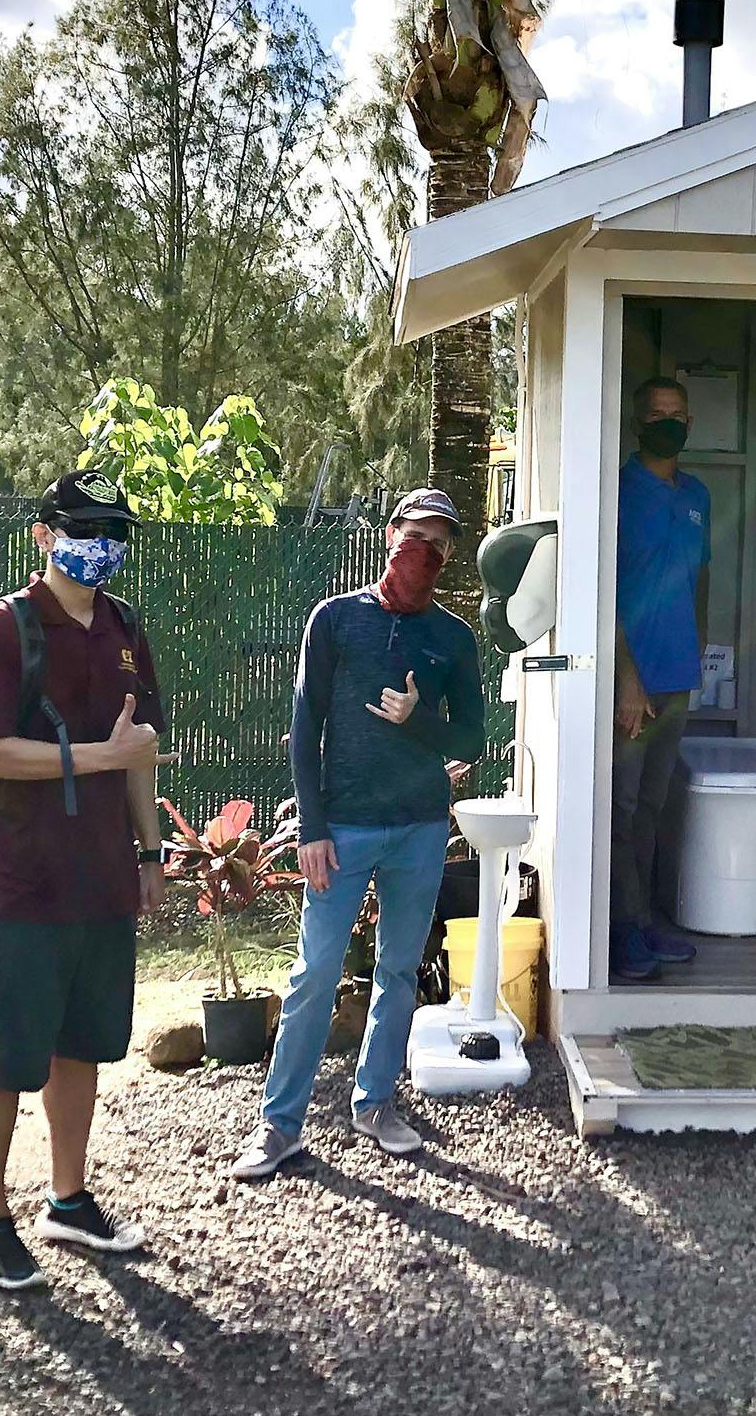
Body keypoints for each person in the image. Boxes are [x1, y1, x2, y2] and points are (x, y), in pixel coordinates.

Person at [0, 469, 173, 1292]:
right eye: (83, 530)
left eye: (113, 532)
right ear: (44, 536)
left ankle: (68, 1200)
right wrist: (94, 757)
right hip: (25, 885)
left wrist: (150, 855)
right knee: (5, 1056)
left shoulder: (124, 627)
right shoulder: (4, 629)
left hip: (103, 885)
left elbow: (138, 750)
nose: (100, 547)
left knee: (82, 1046)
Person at [231, 488, 486, 1179]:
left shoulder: (453, 638)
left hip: (420, 829)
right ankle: (280, 1125)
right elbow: (304, 725)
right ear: (389, 535)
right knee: (314, 975)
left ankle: (374, 1104)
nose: (424, 551)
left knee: (399, 972)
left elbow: (471, 738)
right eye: (415, 536)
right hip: (341, 830)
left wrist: (418, 721)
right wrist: (311, 827)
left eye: (439, 544)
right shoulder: (336, 619)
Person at [611, 376, 711, 982]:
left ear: (689, 423)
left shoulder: (698, 495)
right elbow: (605, 590)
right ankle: (620, 933)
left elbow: (701, 576)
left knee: (652, 805)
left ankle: (642, 919)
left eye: (677, 414)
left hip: (676, 677)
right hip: (631, 681)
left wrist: (699, 645)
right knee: (621, 808)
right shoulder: (618, 491)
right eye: (656, 415)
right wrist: (627, 678)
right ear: (637, 423)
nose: (668, 424)